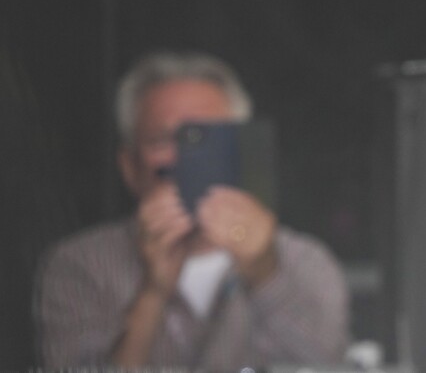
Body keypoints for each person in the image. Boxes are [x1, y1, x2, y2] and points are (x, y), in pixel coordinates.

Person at [34, 51, 350, 369]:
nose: (185, 161)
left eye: (205, 141)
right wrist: (152, 294)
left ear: (241, 152)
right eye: (162, 141)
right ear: (130, 166)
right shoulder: (81, 265)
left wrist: (263, 273)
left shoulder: (306, 262)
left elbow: (326, 364)